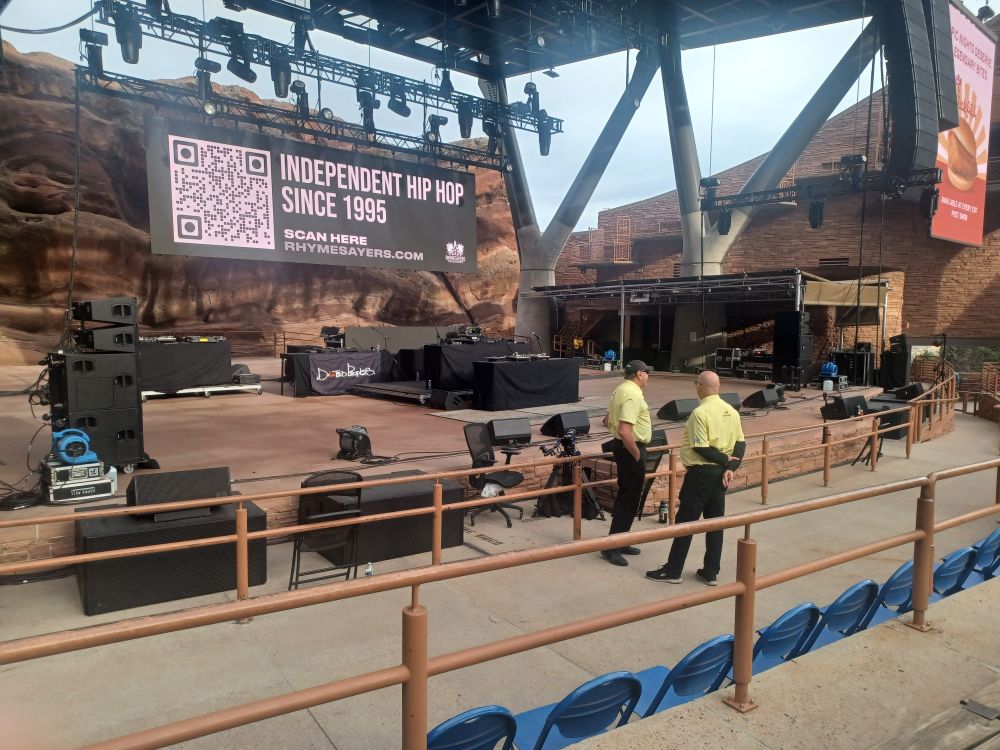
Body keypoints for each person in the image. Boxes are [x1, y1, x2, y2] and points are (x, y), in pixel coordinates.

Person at [646, 370, 745, 585]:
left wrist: (724, 460)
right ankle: (711, 572)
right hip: (721, 476)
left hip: (700, 475)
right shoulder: (731, 411)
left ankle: (673, 570)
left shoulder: (699, 413)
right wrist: (730, 466)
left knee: (686, 523)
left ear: (700, 386)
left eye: (696, 384)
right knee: (715, 524)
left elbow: (701, 447)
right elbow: (740, 443)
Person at [600, 359, 652, 566]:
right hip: (631, 449)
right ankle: (612, 547)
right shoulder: (632, 393)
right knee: (628, 498)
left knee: (629, 497)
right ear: (639, 374)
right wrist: (636, 454)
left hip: (623, 447)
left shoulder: (620, 389)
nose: (648, 376)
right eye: (647, 372)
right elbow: (624, 430)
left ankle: (621, 540)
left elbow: (607, 421)